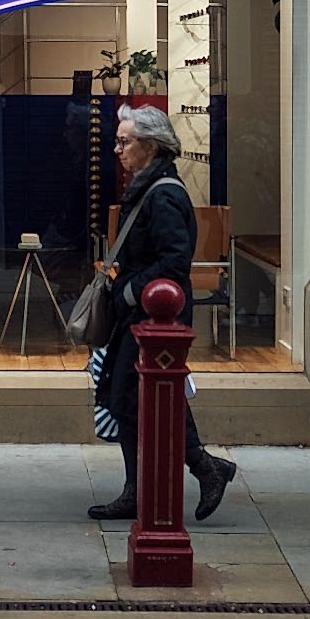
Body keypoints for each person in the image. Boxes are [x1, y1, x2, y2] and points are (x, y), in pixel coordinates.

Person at [89, 104, 236, 523]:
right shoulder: (150, 186)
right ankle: (175, 477)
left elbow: (174, 263)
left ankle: (200, 469)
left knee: (137, 398)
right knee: (128, 399)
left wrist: (130, 292)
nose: (117, 149)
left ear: (150, 145)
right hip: (138, 317)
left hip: (154, 320)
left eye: (124, 141)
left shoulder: (166, 194)